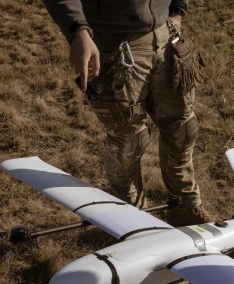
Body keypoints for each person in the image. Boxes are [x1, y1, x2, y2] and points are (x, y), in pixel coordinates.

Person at [42, 0, 214, 226]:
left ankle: (186, 206)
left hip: (166, 36)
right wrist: (77, 31)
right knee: (129, 138)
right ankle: (133, 222)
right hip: (113, 45)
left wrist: (177, 11)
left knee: (182, 126)